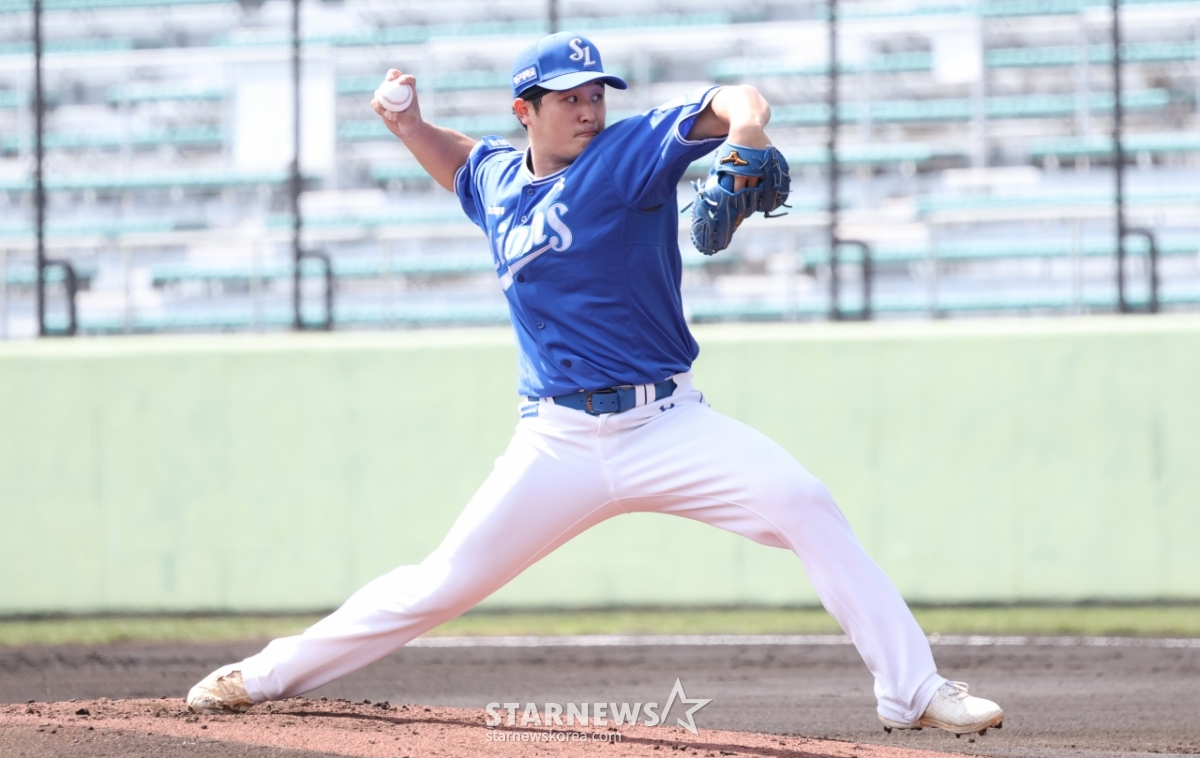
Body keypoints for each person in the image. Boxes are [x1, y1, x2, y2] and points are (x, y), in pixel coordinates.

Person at [187, 31, 1003, 736]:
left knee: (804, 503)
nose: (588, 109)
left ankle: (913, 691)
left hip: (668, 424)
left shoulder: (627, 156)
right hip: (558, 442)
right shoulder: (498, 181)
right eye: (568, 98)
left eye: (595, 94)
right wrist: (407, 124)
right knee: (438, 584)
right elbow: (460, 163)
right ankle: (262, 676)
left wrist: (748, 130)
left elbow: (733, 100)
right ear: (525, 111)